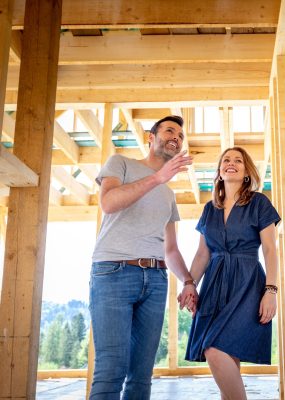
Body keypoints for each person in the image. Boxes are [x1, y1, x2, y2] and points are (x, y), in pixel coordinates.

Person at [89, 115, 198, 399]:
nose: (177, 136)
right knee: (110, 369)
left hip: (156, 279)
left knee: (141, 375)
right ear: (151, 137)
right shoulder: (120, 163)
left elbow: (171, 249)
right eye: (170, 130)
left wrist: (188, 281)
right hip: (113, 272)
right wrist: (157, 178)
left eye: (181, 135)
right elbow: (109, 203)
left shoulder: (169, 195)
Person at [179, 146, 280, 400]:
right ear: (219, 171)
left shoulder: (259, 203)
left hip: (247, 283)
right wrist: (189, 284)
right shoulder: (209, 209)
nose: (231, 163)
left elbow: (270, 249)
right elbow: (203, 254)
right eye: (226, 160)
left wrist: (271, 290)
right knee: (226, 354)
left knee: (214, 348)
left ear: (247, 172)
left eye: (238, 160)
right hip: (213, 284)